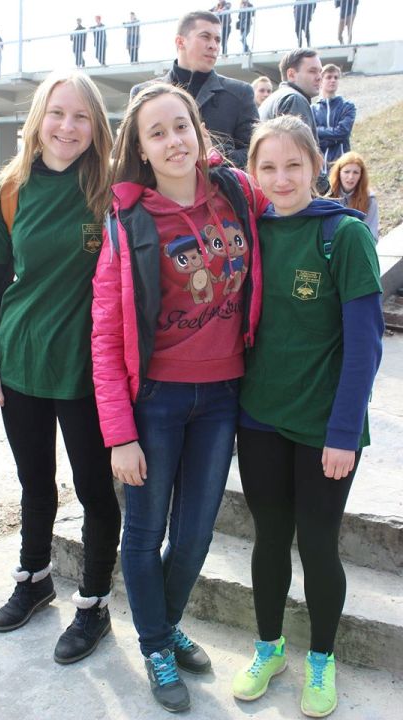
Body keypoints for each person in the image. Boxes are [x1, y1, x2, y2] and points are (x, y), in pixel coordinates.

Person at [92, 82, 266, 713]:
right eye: (157, 132)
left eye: (181, 126)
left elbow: (295, 198)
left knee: (194, 535)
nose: (173, 141)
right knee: (145, 532)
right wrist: (120, 434)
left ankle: (160, 627)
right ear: (140, 148)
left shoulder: (236, 193)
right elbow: (105, 334)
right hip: (156, 401)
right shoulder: (128, 221)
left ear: (199, 130)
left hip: (222, 395)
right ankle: (157, 645)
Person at [232, 115, 383, 718]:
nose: (282, 178)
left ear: (317, 165)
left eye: (293, 165)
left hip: (326, 428)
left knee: (317, 545)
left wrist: (344, 432)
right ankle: (268, 648)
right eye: (268, 167)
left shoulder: (343, 235)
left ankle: (321, 658)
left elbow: (365, 345)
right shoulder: (251, 232)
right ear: (252, 172)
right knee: (268, 539)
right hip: (260, 419)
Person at [0, 71, 121, 665]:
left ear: (97, 126)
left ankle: (94, 603)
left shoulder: (111, 189)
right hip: (21, 362)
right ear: (39, 117)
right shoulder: (6, 192)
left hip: (88, 371)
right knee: (34, 482)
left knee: (94, 489)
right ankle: (34, 578)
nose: (67, 126)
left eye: (81, 116)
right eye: (58, 113)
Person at [131, 11, 258, 169]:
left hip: (218, 184)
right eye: (205, 37)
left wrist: (214, 154)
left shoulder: (240, 93)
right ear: (180, 42)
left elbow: (255, 154)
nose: (214, 46)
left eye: (218, 39)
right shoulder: (143, 94)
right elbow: (130, 152)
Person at [259, 48, 329, 194]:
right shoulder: (294, 99)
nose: (319, 77)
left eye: (320, 72)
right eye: (312, 71)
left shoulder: (274, 98)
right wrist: (326, 191)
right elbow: (301, 154)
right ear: (291, 74)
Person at [312, 63, 356, 173]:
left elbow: (343, 132)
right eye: (329, 77)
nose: (333, 80)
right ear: (321, 81)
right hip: (318, 166)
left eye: (336, 77)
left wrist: (319, 131)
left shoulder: (347, 107)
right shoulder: (312, 109)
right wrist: (334, 138)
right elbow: (311, 136)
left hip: (341, 164)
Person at [329, 151, 379, 242]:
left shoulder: (370, 199)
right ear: (339, 173)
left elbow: (371, 235)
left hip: (357, 244)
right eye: (346, 172)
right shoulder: (327, 195)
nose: (351, 177)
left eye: (355, 172)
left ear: (361, 175)